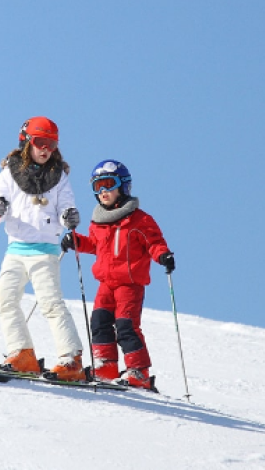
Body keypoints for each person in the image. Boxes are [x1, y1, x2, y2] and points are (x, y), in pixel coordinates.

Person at [0, 117, 86, 381]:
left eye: (51, 144)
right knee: (5, 300)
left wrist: (69, 217)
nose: (45, 149)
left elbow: (66, 205)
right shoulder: (9, 172)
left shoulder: (59, 177)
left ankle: (71, 358)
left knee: (50, 302)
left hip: (44, 250)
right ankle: (22, 354)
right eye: (40, 142)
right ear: (27, 141)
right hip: (16, 248)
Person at [61, 159, 175, 390]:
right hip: (106, 284)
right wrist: (76, 241)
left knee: (126, 325)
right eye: (97, 187)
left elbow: (154, 243)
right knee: (99, 322)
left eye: (108, 184)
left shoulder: (140, 220)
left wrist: (163, 255)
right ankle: (106, 365)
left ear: (123, 186)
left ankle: (139, 371)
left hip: (129, 284)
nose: (103, 191)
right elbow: (94, 244)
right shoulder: (99, 221)